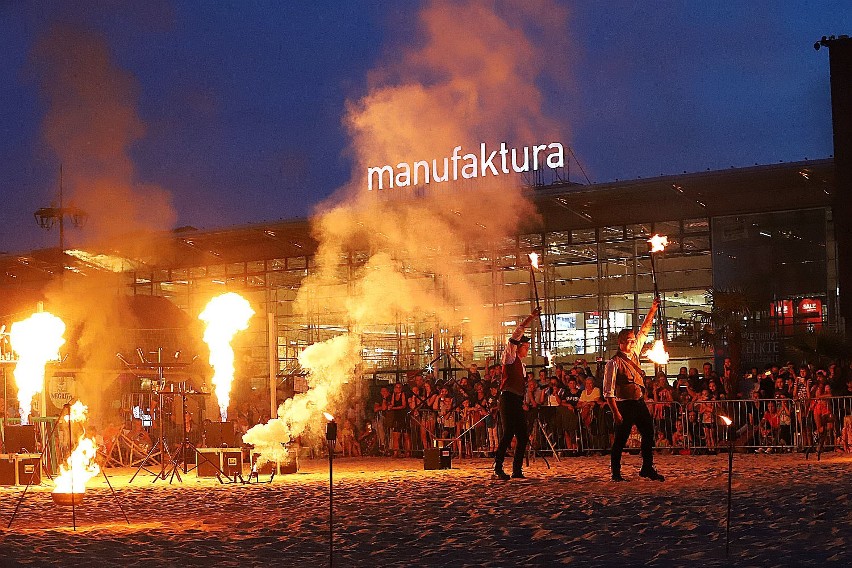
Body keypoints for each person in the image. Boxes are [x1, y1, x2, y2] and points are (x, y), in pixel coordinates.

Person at [603, 297, 664, 482]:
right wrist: (615, 412)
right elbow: (608, 391)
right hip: (623, 405)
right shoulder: (613, 363)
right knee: (620, 440)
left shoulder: (635, 352)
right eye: (629, 341)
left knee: (648, 433)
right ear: (621, 342)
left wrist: (653, 309)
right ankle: (616, 473)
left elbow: (645, 329)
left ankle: (646, 467)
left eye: (632, 340)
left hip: (638, 403)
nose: (632, 343)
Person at [493, 306, 541, 480]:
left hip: (516, 400)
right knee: (507, 434)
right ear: (518, 346)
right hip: (507, 398)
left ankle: (517, 470)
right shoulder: (510, 357)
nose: (527, 349)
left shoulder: (521, 364)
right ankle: (498, 467)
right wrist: (531, 318)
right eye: (526, 346)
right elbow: (516, 334)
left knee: (522, 435)